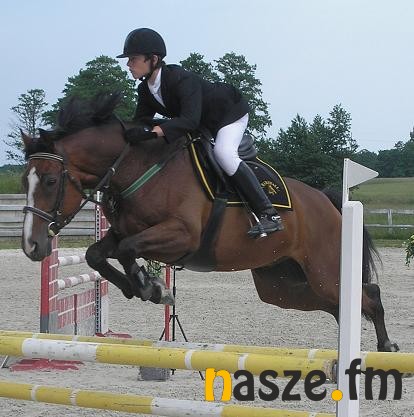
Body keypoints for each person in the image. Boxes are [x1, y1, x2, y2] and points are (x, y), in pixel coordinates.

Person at [117, 28, 283, 237]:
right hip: (203, 122)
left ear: (153, 59)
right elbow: (141, 121)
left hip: (229, 113)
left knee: (224, 153)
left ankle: (269, 214)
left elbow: (189, 120)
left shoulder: (181, 79)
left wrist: (153, 132)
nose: (128, 64)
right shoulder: (145, 90)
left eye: (133, 59)